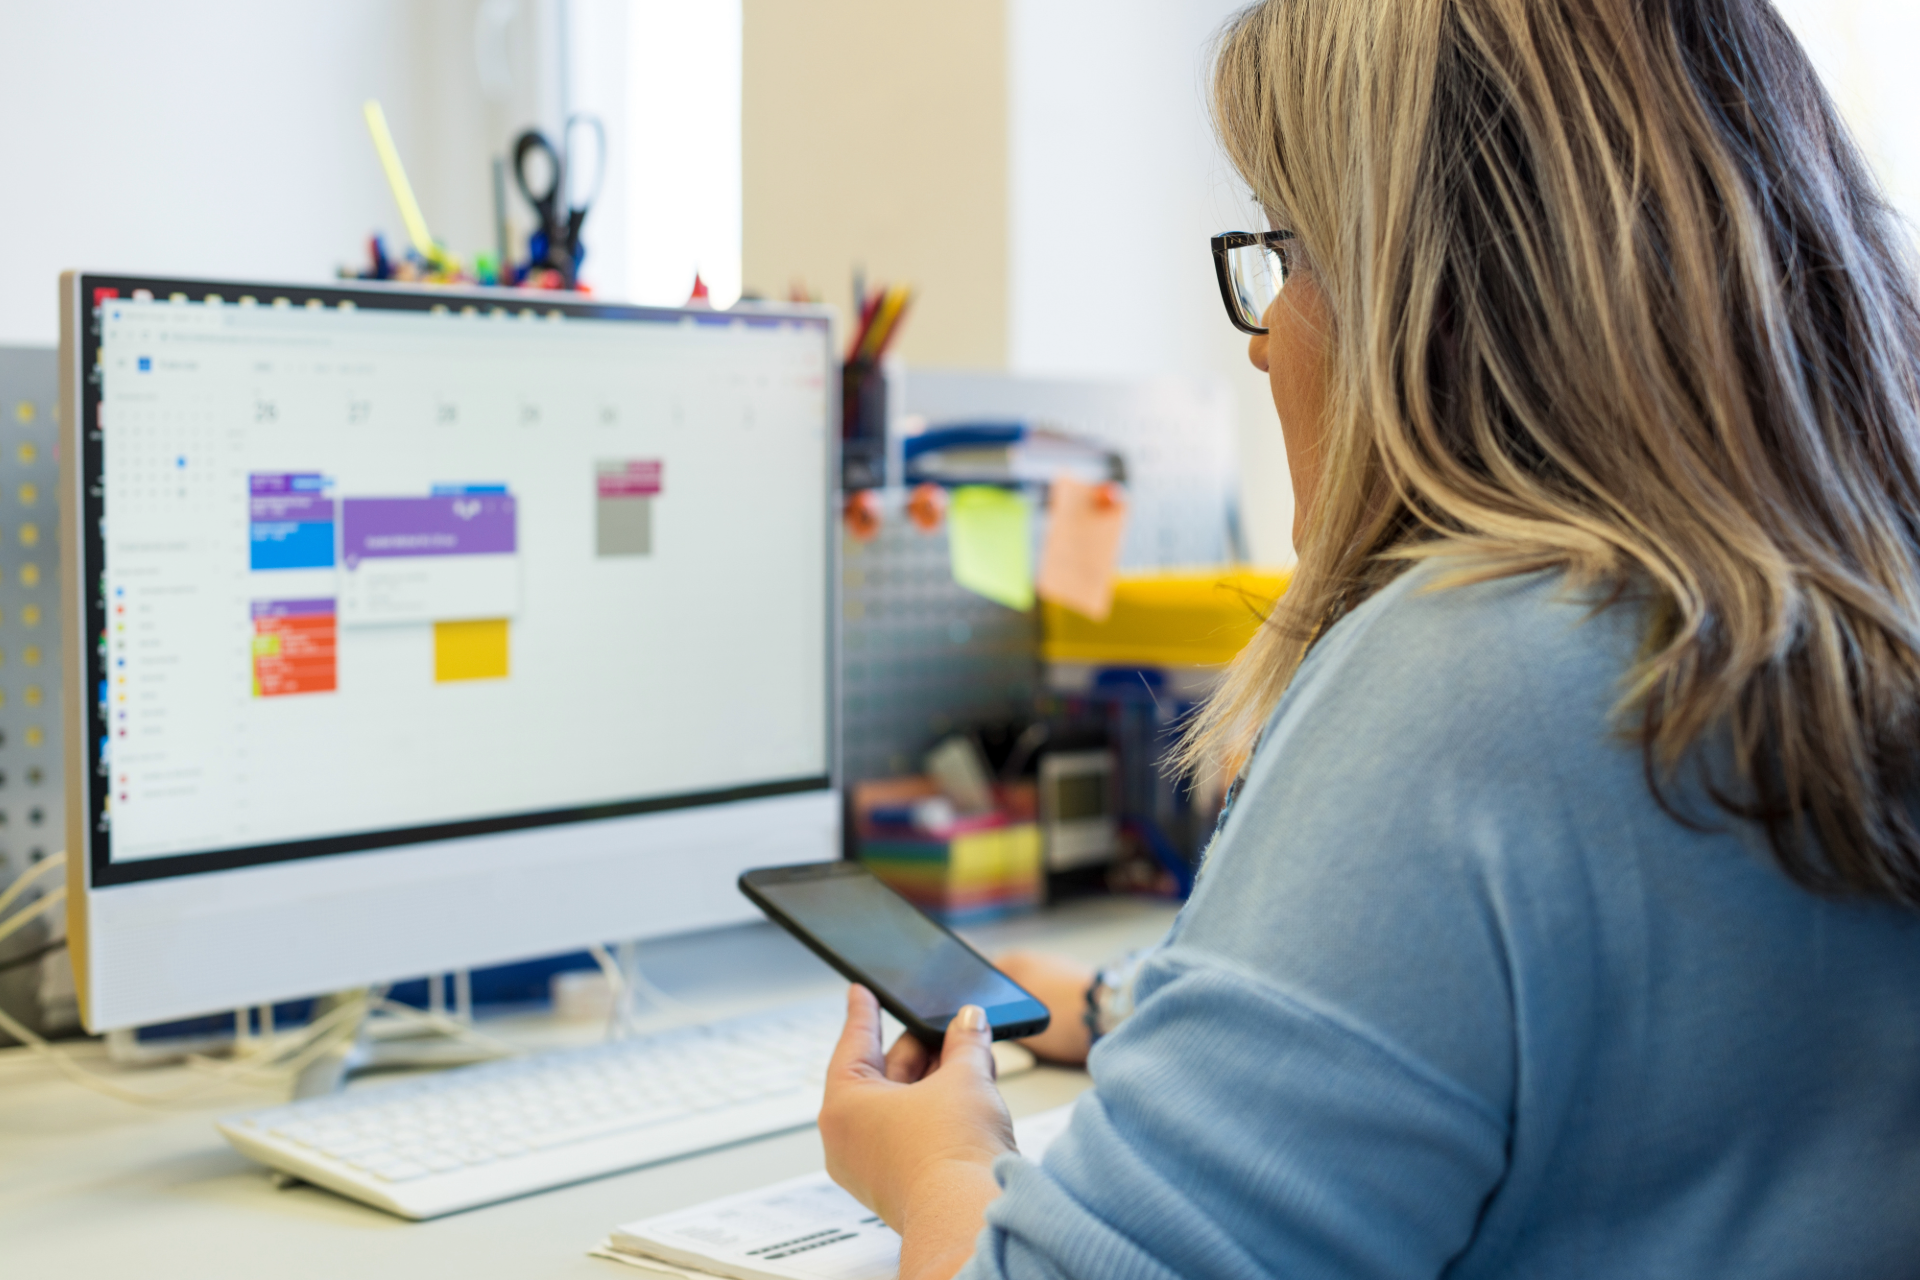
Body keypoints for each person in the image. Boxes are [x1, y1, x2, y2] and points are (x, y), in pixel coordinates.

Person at [821, 0, 1920, 1275]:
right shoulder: (1833, 625)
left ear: (1429, 295)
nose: (1262, 335)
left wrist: (941, 1162)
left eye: (1283, 256)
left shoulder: (1478, 670)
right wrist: (1126, 1004)